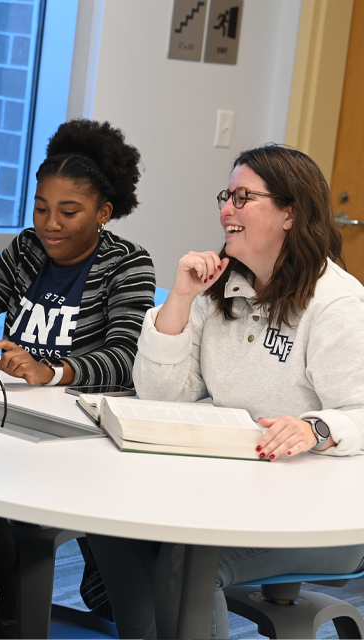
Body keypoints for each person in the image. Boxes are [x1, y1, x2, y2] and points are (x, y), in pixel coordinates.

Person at [86, 145, 364, 639]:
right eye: (226, 196)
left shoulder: (337, 305)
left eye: (243, 197)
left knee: (188, 560)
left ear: (290, 213)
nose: (225, 210)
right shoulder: (218, 289)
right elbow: (162, 398)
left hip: (325, 514)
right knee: (112, 524)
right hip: (226, 488)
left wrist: (314, 427)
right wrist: (180, 298)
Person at [0, 118, 156, 387]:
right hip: (12, 399)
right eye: (41, 208)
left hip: (79, 413)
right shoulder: (27, 248)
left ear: (103, 213)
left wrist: (49, 371)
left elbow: (127, 358)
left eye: (68, 212)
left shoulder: (126, 262)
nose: (50, 224)